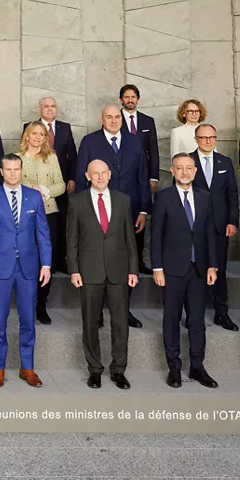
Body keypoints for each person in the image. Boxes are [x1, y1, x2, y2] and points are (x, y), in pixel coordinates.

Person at [0, 154, 51, 388]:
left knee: (28, 319)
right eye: (8, 169)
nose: (12, 173)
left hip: (28, 268)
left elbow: (42, 232)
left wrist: (46, 264)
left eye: (16, 169)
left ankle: (27, 368)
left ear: (21, 170)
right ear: (1, 171)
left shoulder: (34, 197)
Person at [67, 160, 138, 390]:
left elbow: (130, 238)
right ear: (87, 176)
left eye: (103, 173)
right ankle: (94, 369)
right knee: (90, 322)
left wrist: (133, 269)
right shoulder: (77, 201)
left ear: (109, 175)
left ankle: (119, 370)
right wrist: (74, 270)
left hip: (118, 270)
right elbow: (72, 240)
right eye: (95, 174)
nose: (99, 177)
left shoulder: (123, 200)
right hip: (89, 270)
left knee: (120, 324)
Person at [75, 105, 148, 328]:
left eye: (118, 117)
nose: (114, 120)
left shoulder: (134, 141)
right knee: (97, 262)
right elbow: (81, 176)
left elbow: (142, 176)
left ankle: (123, 311)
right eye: (109, 117)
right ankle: (95, 314)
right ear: (101, 119)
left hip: (129, 211)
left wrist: (143, 210)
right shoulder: (89, 141)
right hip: (96, 211)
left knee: (126, 263)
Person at [151, 154, 220, 389]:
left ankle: (197, 367)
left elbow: (210, 233)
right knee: (171, 319)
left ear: (195, 171)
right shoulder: (162, 198)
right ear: (172, 171)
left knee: (197, 320)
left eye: (189, 168)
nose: (184, 172)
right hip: (171, 269)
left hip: (199, 269)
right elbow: (156, 236)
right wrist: (157, 268)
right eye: (179, 168)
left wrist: (212, 265)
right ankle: (174, 368)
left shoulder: (205, 197)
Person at [191, 124, 239, 331]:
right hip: (195, 226)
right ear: (196, 139)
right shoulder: (187, 161)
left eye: (212, 137)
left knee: (219, 269)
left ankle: (222, 312)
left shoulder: (225, 162)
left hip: (220, 226)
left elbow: (232, 195)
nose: (208, 141)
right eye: (203, 138)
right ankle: (195, 313)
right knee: (195, 270)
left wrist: (233, 221)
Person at [16, 121, 65, 325]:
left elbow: (61, 185)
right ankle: (26, 303)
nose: (37, 137)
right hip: (24, 216)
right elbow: (12, 184)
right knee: (27, 260)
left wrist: (45, 190)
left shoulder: (51, 157)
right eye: (34, 133)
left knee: (47, 260)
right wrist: (30, 192)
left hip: (48, 213)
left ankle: (41, 305)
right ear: (27, 136)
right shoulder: (17, 158)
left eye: (41, 134)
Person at [27, 97, 77, 289]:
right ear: (40, 109)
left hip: (57, 185)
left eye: (53, 106)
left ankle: (57, 261)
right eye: (46, 106)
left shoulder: (65, 127)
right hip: (33, 195)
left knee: (59, 226)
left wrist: (71, 178)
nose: (49, 109)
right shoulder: (30, 127)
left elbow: (72, 154)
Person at [119, 84, 159, 274]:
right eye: (126, 97)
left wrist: (154, 177)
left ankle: (139, 261)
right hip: (121, 178)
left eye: (133, 97)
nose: (130, 100)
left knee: (140, 219)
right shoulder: (114, 119)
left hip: (142, 179)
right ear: (121, 100)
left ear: (138, 98)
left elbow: (153, 151)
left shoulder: (147, 121)